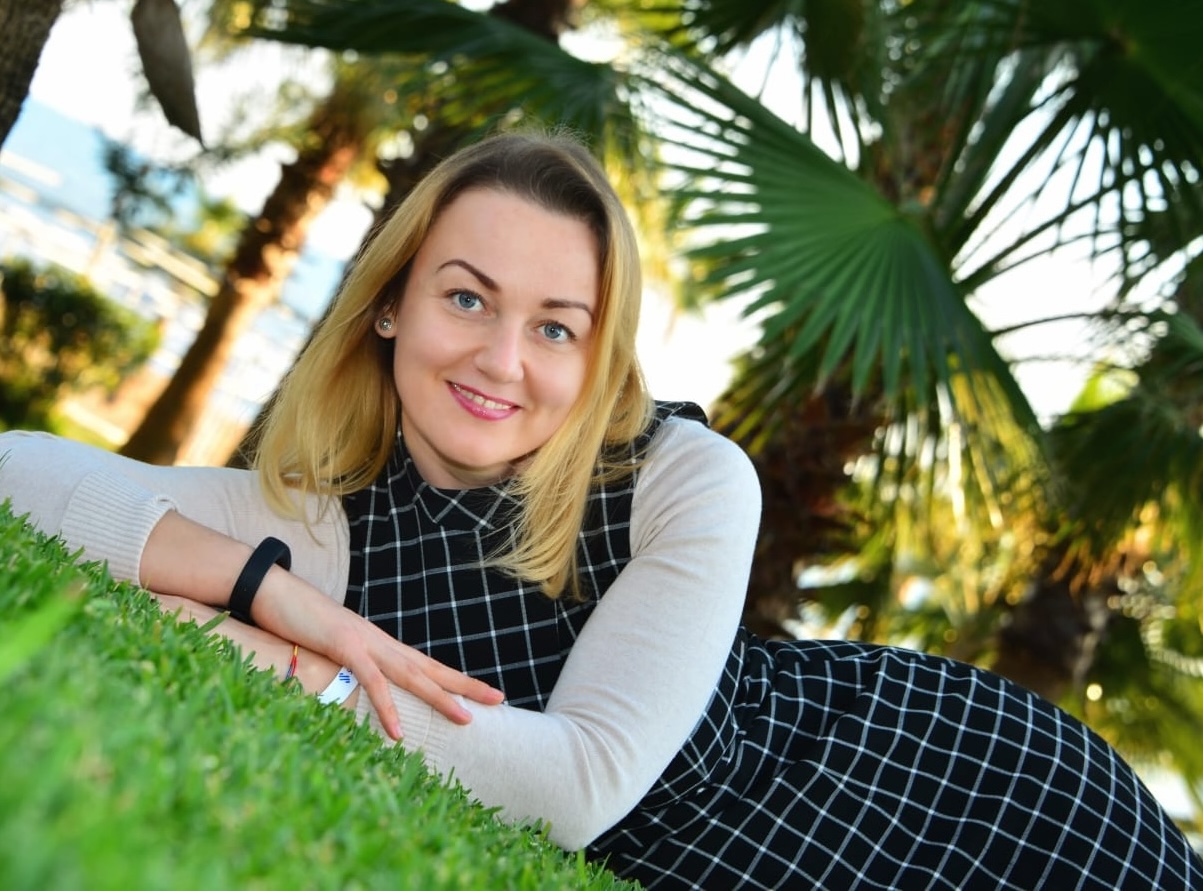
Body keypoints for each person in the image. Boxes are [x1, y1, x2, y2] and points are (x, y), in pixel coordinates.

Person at [1, 130, 1200, 890]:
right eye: (465, 298)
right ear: (390, 304)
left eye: (556, 327)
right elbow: (21, 474)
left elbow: (571, 791)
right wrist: (279, 599)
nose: (502, 360)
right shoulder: (312, 520)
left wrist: (273, 655)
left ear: (598, 351)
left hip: (972, 798)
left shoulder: (685, 476)